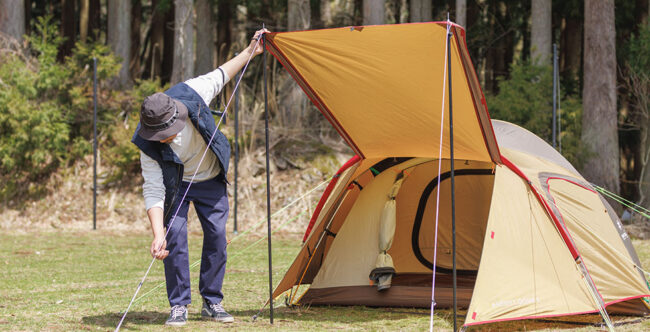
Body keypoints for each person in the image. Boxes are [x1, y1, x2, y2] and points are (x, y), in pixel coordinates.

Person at [131, 28, 268, 326]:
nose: (162, 139)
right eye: (157, 136)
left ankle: (212, 301)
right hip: (176, 187)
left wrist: (250, 52)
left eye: (166, 134)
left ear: (176, 119)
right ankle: (178, 305)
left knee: (218, 237)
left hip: (210, 178)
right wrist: (157, 233)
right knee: (174, 238)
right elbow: (153, 190)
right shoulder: (147, 144)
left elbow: (222, 74)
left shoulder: (192, 93)